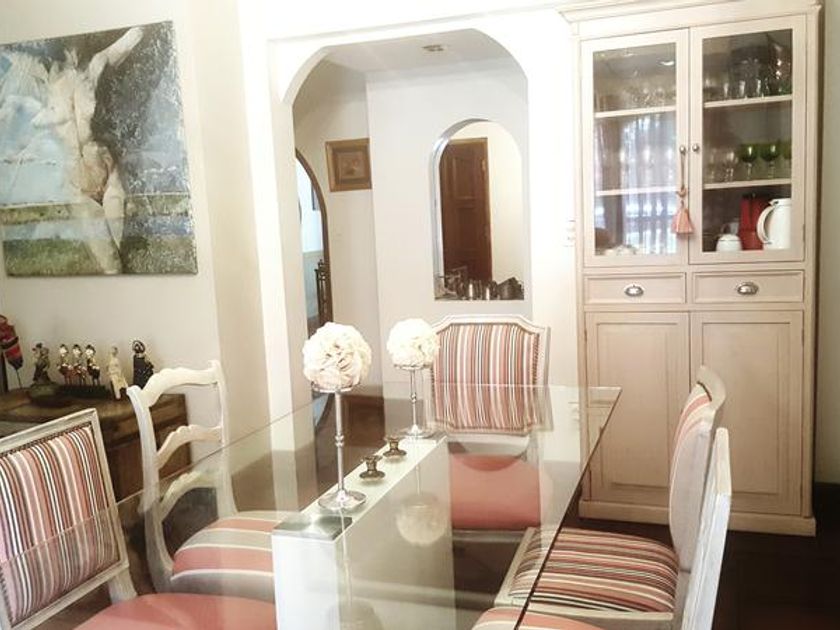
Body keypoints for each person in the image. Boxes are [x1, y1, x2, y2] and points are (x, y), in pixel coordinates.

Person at [0, 27, 144, 273]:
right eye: (69, 48)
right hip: (77, 177)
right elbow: (17, 56)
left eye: (76, 46)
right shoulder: (47, 76)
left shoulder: (94, 66)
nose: (73, 54)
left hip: (101, 165)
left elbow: (130, 39)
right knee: (111, 263)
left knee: (118, 249)